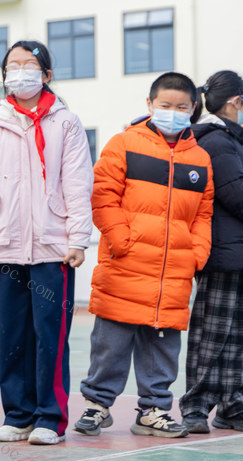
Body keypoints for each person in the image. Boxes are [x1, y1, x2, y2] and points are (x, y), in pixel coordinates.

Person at [0, 41, 94, 446]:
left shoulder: (65, 123)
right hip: (6, 244)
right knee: (12, 335)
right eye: (12, 65)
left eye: (30, 65)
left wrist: (78, 238)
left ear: (47, 76)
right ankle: (17, 414)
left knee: (49, 333)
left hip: (52, 246)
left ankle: (49, 418)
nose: (20, 71)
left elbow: (77, 183)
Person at [75, 72, 214, 439]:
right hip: (126, 263)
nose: (173, 112)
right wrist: (122, 240)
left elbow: (203, 213)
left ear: (193, 109)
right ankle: (97, 406)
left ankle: (153, 411)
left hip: (174, 270)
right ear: (149, 104)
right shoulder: (123, 143)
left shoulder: (200, 157)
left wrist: (196, 253)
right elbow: (103, 196)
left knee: (163, 344)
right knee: (111, 340)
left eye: (181, 107)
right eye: (165, 106)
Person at [179, 71, 243, 433]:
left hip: (239, 252)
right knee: (211, 332)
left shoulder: (232, 142)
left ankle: (232, 402)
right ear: (234, 102)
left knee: (237, 333)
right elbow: (239, 197)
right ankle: (196, 405)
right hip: (222, 253)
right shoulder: (218, 142)